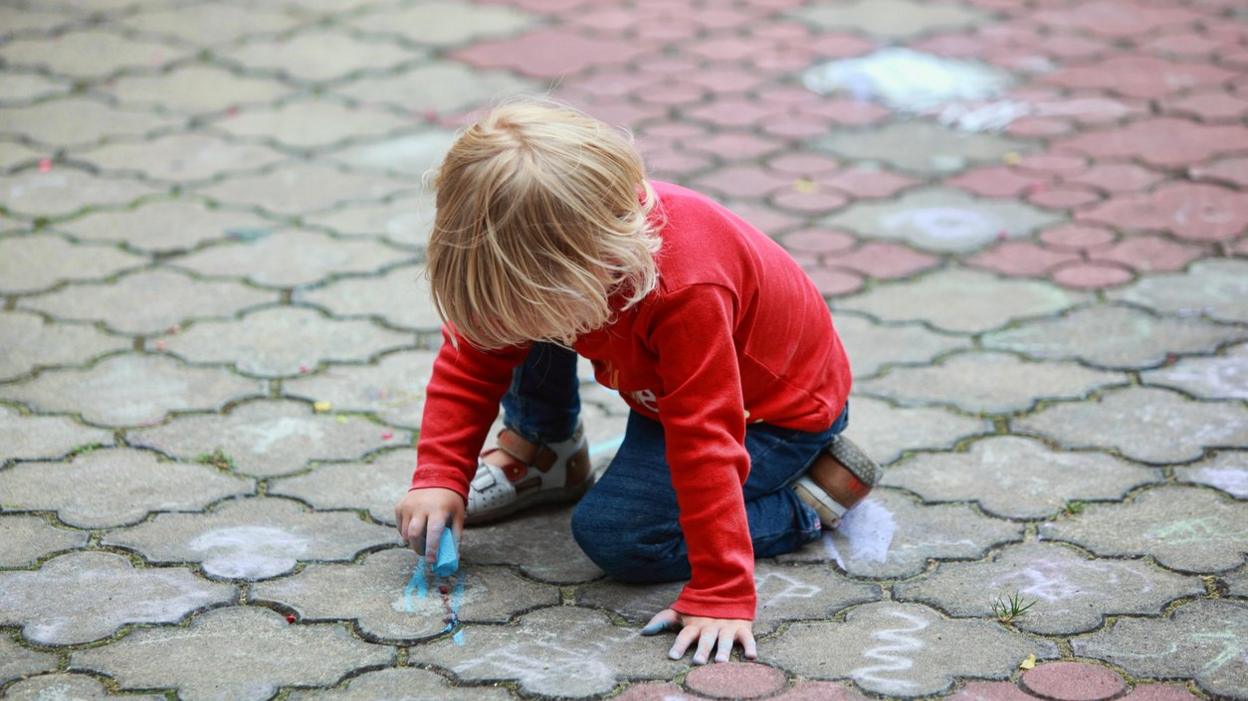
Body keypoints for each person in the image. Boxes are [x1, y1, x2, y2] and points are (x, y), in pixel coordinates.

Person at [393, 98, 879, 665]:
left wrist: (722, 592)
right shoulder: (569, 245)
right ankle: (546, 455)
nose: (505, 324)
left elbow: (706, 441)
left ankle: (812, 498)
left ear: (590, 261)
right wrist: (439, 474)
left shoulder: (686, 291)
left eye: (539, 298)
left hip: (767, 418)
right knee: (508, 316)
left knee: (619, 536)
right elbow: (474, 352)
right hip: (664, 383)